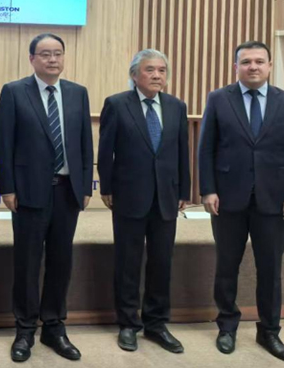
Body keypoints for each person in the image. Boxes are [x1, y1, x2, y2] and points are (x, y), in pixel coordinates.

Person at [199, 40, 284, 362]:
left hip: (274, 201)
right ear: (236, 67)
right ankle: (227, 326)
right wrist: (208, 189)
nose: (253, 67)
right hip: (227, 198)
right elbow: (206, 149)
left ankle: (270, 330)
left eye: (259, 61)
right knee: (226, 266)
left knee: (270, 269)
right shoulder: (218, 99)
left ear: (269, 66)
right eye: (246, 62)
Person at [0, 33, 93, 362]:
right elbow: (4, 144)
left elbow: (85, 143)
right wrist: (7, 187)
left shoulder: (78, 93)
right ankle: (24, 329)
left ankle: (54, 326)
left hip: (67, 191)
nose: (52, 59)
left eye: (58, 53)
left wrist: (85, 186)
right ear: (32, 59)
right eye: (45, 54)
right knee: (27, 262)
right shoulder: (14, 92)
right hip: (28, 192)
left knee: (61, 261)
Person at [97, 49, 190, 354]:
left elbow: (182, 152)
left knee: (162, 262)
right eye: (150, 70)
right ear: (134, 74)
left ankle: (156, 323)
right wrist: (106, 187)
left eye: (162, 70)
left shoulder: (176, 106)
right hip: (129, 195)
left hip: (166, 196)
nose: (157, 75)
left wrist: (184, 190)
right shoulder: (117, 104)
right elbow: (106, 150)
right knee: (128, 262)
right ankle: (127, 323)